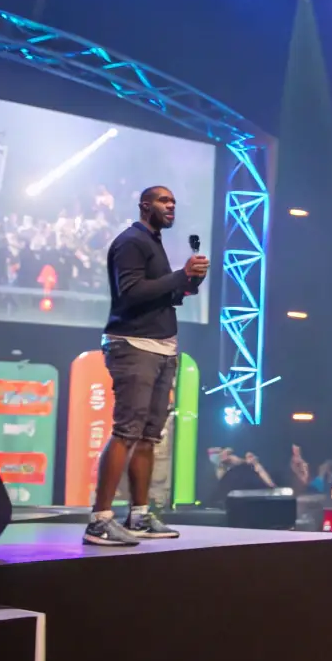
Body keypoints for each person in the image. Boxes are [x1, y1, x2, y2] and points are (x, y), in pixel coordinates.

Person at [85, 185, 208, 547]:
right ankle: (99, 519)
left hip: (162, 346)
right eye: (163, 201)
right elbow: (132, 292)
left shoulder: (153, 242)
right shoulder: (131, 242)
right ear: (145, 206)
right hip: (134, 345)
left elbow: (162, 294)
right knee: (127, 431)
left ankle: (138, 515)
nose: (171, 207)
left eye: (173, 202)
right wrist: (179, 275)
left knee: (149, 435)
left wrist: (189, 282)